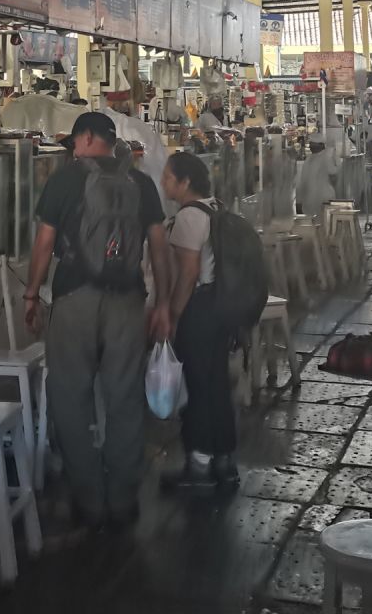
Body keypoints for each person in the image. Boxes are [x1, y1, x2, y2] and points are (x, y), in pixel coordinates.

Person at [23, 112, 173, 529]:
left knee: (70, 396)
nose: (74, 150)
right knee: (124, 397)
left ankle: (88, 497)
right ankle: (122, 498)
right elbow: (159, 247)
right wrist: (162, 303)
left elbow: (44, 243)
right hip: (128, 301)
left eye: (75, 142)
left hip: (75, 299)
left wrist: (31, 293)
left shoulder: (65, 180)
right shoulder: (140, 183)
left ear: (87, 138)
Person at [159, 152, 239, 491]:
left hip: (200, 307)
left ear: (185, 181)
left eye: (168, 177)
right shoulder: (216, 206)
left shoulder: (188, 217)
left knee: (198, 385)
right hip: (222, 305)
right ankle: (224, 461)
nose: (163, 183)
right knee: (217, 383)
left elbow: (188, 273)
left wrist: (173, 314)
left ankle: (199, 466)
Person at [293, 133, 338, 225]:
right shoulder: (309, 159)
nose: (310, 147)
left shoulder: (326, 157)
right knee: (312, 223)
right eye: (310, 144)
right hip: (310, 198)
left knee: (324, 223)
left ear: (321, 145)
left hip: (323, 197)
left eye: (313, 144)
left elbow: (333, 174)